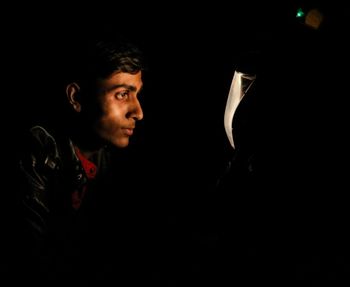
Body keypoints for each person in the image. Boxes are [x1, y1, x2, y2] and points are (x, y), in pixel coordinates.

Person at [6, 36, 146, 284]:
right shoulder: (37, 151)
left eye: (137, 95)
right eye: (123, 94)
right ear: (76, 97)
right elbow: (33, 262)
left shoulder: (110, 158)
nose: (138, 112)